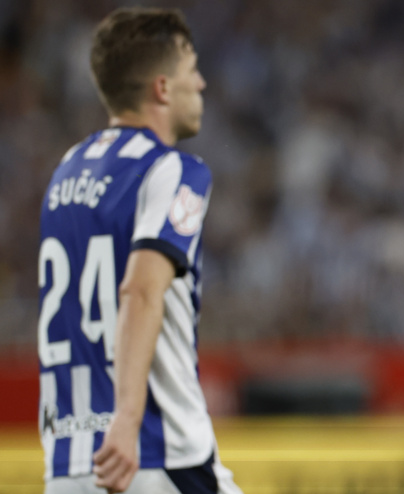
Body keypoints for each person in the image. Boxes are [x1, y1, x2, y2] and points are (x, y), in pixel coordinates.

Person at [37, 7, 241, 494]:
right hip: (152, 453)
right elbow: (142, 290)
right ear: (163, 87)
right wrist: (126, 419)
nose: (203, 84)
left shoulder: (65, 173)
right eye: (193, 70)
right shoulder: (174, 170)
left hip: (68, 465)